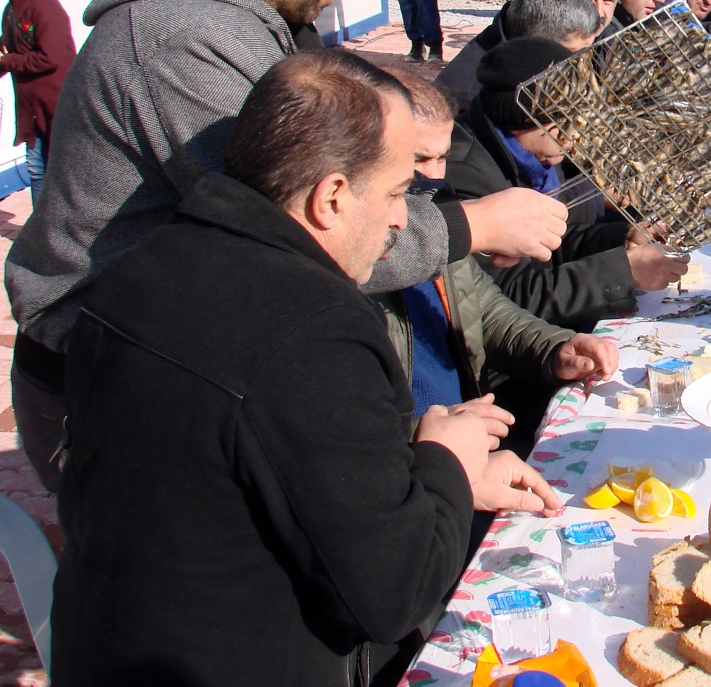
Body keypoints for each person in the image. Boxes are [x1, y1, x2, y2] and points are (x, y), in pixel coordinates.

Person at [3, 0, 567, 492]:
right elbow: (300, 227)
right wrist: (471, 226)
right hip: (105, 379)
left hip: (171, 360)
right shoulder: (183, 39)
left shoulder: (252, 18)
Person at [49, 49, 562, 686]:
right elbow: (395, 590)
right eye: (399, 191)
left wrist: (448, 485)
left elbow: (255, 477)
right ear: (332, 198)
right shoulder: (315, 327)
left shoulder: (137, 267)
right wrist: (447, 459)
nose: (406, 217)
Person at [382, 71, 619, 452]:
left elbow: (484, 307)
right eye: (418, 159)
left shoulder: (433, 208)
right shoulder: (346, 263)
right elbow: (339, 437)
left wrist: (554, 348)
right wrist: (424, 439)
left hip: (469, 440)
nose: (435, 175)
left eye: (441, 157)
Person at [447, 37, 689, 331]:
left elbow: (551, 247)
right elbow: (511, 299)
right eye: (567, 129)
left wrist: (621, 239)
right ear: (534, 120)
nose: (574, 145)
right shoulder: (464, 178)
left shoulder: (534, 157)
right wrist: (623, 272)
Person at [0, 0, 77, 204]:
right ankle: (40, 237)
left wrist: (8, 61)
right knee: (36, 170)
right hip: (31, 110)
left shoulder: (46, 8)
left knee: (62, 172)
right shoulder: (12, 9)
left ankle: (63, 234)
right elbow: (8, 48)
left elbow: (51, 58)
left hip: (57, 106)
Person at [435, 0, 601, 105]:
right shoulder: (465, 95)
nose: (579, 64)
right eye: (572, 54)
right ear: (538, 42)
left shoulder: (520, 43)